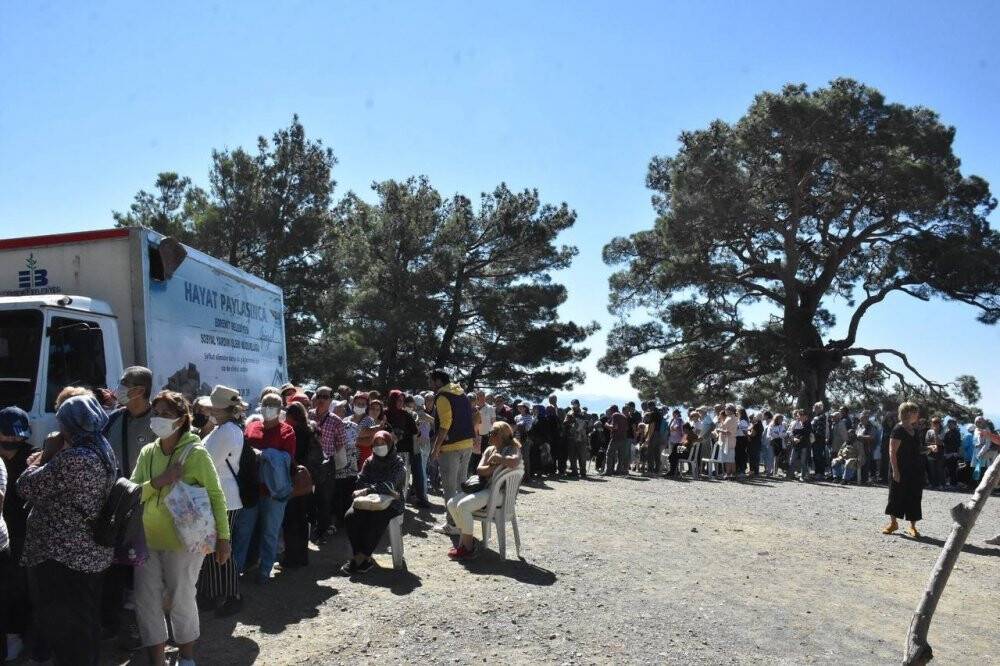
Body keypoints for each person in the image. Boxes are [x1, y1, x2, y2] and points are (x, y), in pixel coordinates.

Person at [129, 391, 229, 666]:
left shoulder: (195, 453)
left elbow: (216, 495)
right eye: (156, 412)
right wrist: (159, 481)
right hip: (147, 540)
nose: (159, 418)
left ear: (181, 420)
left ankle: (186, 658)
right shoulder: (147, 452)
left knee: (181, 598)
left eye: (166, 414)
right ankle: (158, 661)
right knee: (147, 601)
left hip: (185, 542)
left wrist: (224, 538)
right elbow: (134, 492)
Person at [18, 394, 116, 666]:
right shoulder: (101, 446)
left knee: (69, 632)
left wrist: (46, 455)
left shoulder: (77, 457)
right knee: (84, 624)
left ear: (69, 424)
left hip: (64, 558)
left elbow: (25, 487)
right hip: (90, 554)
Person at [196, 385, 246, 617]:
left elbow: (207, 462)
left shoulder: (226, 431)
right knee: (215, 549)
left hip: (223, 497)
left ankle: (232, 595)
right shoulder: (225, 428)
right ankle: (217, 594)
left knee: (221, 549)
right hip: (221, 495)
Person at [235, 392, 295, 583]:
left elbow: (287, 461)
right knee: (243, 532)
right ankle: (235, 572)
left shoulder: (287, 432)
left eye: (273, 405)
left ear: (279, 410)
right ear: (260, 406)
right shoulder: (251, 427)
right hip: (251, 490)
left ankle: (265, 570)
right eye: (265, 404)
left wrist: (266, 454)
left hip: (273, 492)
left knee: (270, 532)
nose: (268, 408)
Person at [447, 421, 524, 559]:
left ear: (500, 435)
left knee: (463, 506)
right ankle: (467, 539)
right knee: (452, 504)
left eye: (492, 433)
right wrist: (494, 467)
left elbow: (515, 462)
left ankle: (468, 548)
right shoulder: (490, 450)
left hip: (499, 493)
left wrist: (500, 459)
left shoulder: (512, 448)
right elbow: (480, 470)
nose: (489, 435)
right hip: (484, 488)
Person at [341, 431, 406, 575]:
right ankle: (360, 556)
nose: (379, 447)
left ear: (390, 444)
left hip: (392, 503)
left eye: (383, 443)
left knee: (375, 518)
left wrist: (368, 489)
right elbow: (360, 481)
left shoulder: (397, 463)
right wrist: (370, 489)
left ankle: (361, 558)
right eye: (376, 444)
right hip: (368, 500)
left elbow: (390, 485)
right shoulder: (370, 461)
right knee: (350, 516)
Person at [0, 407, 35, 662]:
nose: (10, 443)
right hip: (5, 533)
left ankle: (18, 635)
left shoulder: (33, 457)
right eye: (6, 437)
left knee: (19, 588)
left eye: (16, 438)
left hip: (23, 533)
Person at [429, 370, 475, 535]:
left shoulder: (442, 396)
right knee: (462, 484)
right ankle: (462, 520)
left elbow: (445, 424)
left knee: (449, 487)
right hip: (467, 444)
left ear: (438, 381)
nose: (429, 384)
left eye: (431, 380)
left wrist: (435, 448)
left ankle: (452, 524)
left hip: (451, 447)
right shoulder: (461, 392)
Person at [309, 386, 348, 543]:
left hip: (326, 464)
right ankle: (310, 530)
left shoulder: (336, 420)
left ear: (331, 400)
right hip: (309, 463)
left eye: (325, 396)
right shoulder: (308, 415)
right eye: (319, 396)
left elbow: (340, 443)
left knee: (324, 499)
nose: (322, 399)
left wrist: (327, 454)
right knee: (308, 498)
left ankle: (322, 532)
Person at [883, 402, 925, 539]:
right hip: (900, 469)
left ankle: (912, 527)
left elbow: (917, 450)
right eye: (915, 412)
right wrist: (895, 471)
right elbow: (892, 452)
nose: (917, 414)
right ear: (908, 413)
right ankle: (893, 523)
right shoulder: (898, 430)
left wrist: (929, 449)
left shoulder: (915, 430)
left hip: (915, 469)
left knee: (914, 497)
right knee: (895, 495)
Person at [281, 402, 315, 570]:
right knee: (302, 520)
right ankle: (302, 557)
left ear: (290, 416)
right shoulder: (310, 430)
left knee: (290, 520)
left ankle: (291, 558)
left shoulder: (292, 432)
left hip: (294, 479)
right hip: (307, 480)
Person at [410, 394, 433, 507]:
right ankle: (420, 494)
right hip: (426, 444)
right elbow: (434, 422)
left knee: (422, 471)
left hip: (421, 445)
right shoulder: (424, 414)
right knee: (421, 470)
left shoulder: (418, 415)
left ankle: (423, 496)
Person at [564, 400, 591, 477]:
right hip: (572, 437)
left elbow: (590, 425)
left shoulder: (585, 413)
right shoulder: (569, 413)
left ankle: (583, 472)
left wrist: (585, 432)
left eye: (575, 405)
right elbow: (565, 423)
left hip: (582, 437)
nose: (573, 406)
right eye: (572, 405)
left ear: (579, 405)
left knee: (582, 455)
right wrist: (570, 421)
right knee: (572, 455)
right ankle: (574, 471)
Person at [604, 405, 631, 476]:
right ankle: (618, 471)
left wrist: (607, 425)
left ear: (612, 410)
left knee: (609, 454)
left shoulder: (615, 415)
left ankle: (608, 471)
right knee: (620, 456)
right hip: (624, 439)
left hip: (616, 438)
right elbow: (627, 428)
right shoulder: (624, 417)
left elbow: (615, 427)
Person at [788, 410, 812, 482]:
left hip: (804, 445)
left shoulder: (808, 423)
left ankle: (802, 476)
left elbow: (806, 433)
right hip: (796, 444)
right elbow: (791, 431)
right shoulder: (796, 422)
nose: (797, 417)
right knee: (792, 460)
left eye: (799, 415)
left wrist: (798, 438)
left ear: (804, 416)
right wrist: (793, 438)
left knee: (803, 461)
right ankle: (791, 475)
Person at [716, 405, 739, 479]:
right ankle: (731, 474)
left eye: (726, 409)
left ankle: (729, 474)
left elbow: (728, 432)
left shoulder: (730, 419)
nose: (725, 410)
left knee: (729, 458)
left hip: (728, 441)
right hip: (729, 441)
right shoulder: (732, 418)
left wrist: (719, 430)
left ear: (730, 410)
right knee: (730, 459)